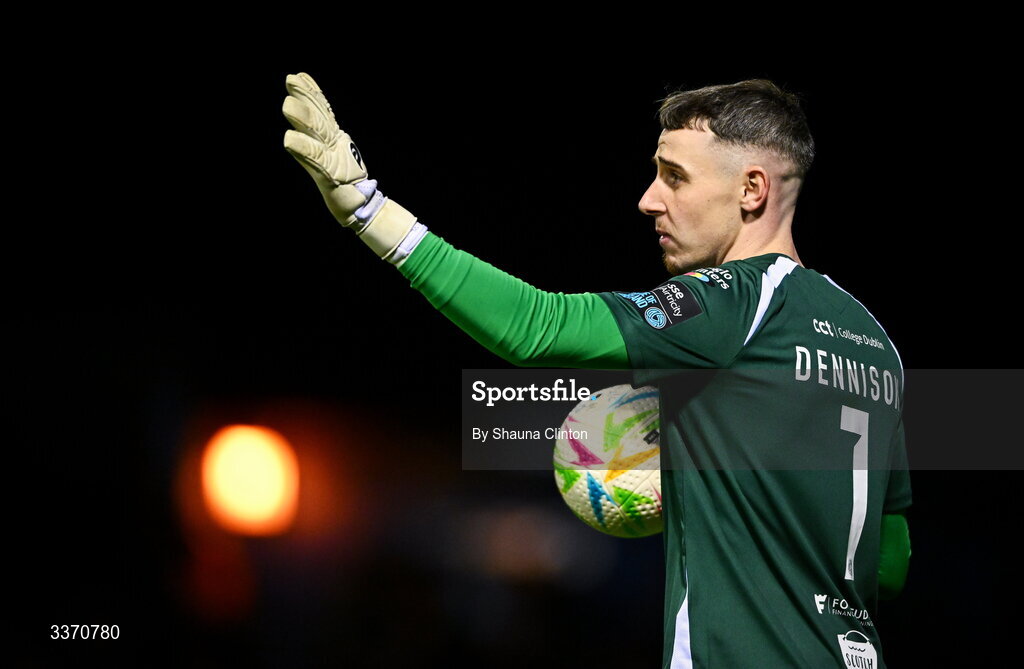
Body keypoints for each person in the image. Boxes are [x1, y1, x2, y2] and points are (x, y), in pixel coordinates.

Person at [282, 72, 912, 668]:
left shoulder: (735, 302)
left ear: (752, 190)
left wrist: (367, 210)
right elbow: (890, 560)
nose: (648, 199)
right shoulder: (874, 341)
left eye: (675, 177)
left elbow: (535, 327)